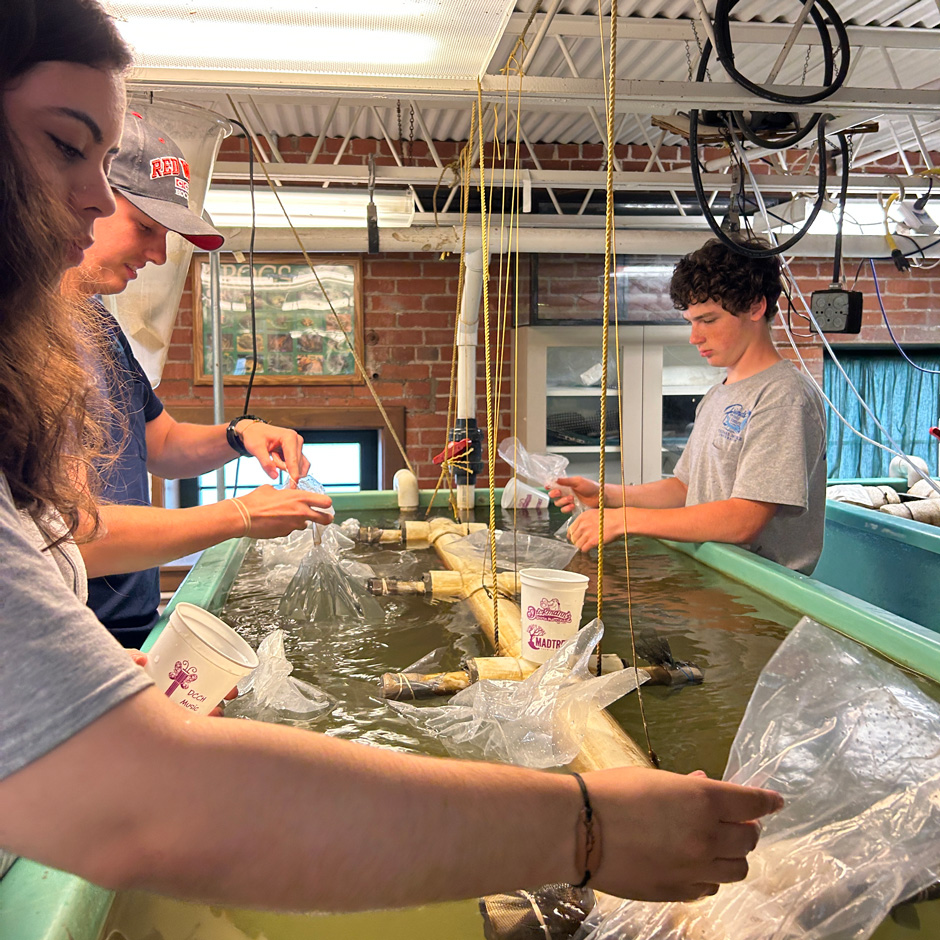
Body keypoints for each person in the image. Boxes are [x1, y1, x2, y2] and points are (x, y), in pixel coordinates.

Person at [0, 0, 783, 912]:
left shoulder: (70, 336)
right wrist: (588, 828)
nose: (97, 201)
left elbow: (75, 518)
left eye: (101, 166)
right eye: (65, 146)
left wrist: (229, 446)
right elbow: (147, 803)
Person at [60, 110, 331, 648]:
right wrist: (239, 514)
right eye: (146, 228)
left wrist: (240, 433)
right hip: (68, 645)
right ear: (85, 197)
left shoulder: (99, 326)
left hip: (128, 629)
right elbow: (74, 538)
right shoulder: (23, 343)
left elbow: (157, 442)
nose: (160, 254)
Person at [553, 238, 827, 575]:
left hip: (762, 591)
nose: (694, 337)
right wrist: (607, 495)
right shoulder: (718, 395)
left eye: (708, 320)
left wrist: (625, 519)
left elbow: (744, 520)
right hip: (715, 577)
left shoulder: (782, 397)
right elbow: (685, 488)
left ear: (756, 307)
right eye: (690, 322)